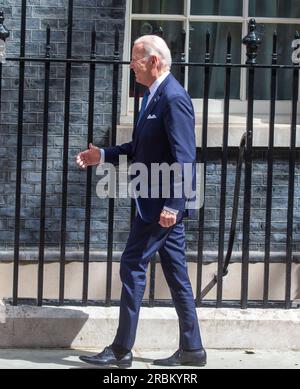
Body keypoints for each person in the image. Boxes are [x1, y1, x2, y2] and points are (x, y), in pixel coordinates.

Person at [76, 35, 206, 368]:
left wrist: (174, 205)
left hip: (160, 207)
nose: (131, 65)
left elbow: (185, 157)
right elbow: (139, 148)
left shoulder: (173, 98)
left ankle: (121, 350)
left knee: (132, 264)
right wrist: (101, 155)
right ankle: (192, 349)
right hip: (151, 204)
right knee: (177, 275)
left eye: (135, 58)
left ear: (154, 61)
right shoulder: (151, 97)